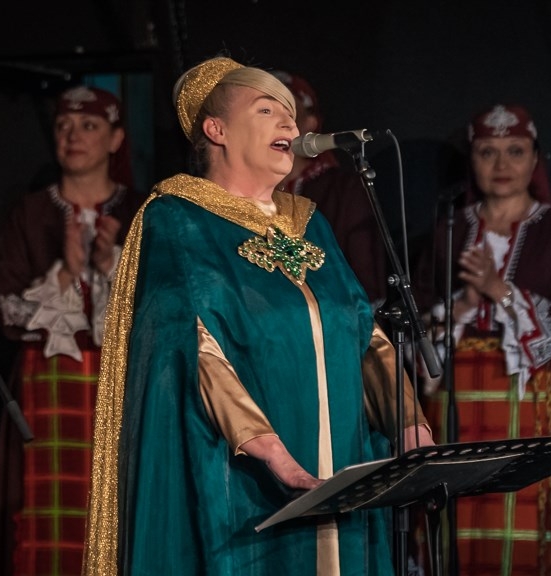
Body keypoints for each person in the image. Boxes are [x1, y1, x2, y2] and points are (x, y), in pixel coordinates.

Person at [80, 56, 433, 576]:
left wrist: (409, 426)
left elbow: (362, 329)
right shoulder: (177, 219)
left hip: (343, 466)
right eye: (267, 109)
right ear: (216, 130)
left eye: (290, 112)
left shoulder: (309, 224)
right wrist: (273, 454)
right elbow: (191, 345)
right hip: (248, 479)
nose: (290, 122)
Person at [411, 104, 551, 575]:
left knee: (525, 509)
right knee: (460, 506)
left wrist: (500, 290)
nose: (501, 164)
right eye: (487, 152)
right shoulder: (451, 228)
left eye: (515, 151)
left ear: (535, 159)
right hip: (458, 393)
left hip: (532, 393)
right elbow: (418, 320)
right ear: (472, 160)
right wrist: (465, 305)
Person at [0, 85, 144, 575]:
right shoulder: (30, 212)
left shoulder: (142, 211)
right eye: (63, 126)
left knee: (123, 505)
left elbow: (166, 307)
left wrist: (112, 266)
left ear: (116, 138)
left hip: (123, 381)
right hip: (49, 384)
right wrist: (65, 274)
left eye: (89, 126)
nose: (74, 136)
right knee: (49, 510)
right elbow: (3, 309)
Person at [272, 70, 389, 308]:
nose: (275, 124)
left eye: (286, 112)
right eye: (265, 113)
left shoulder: (342, 190)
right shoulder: (243, 191)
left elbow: (365, 281)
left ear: (310, 124)